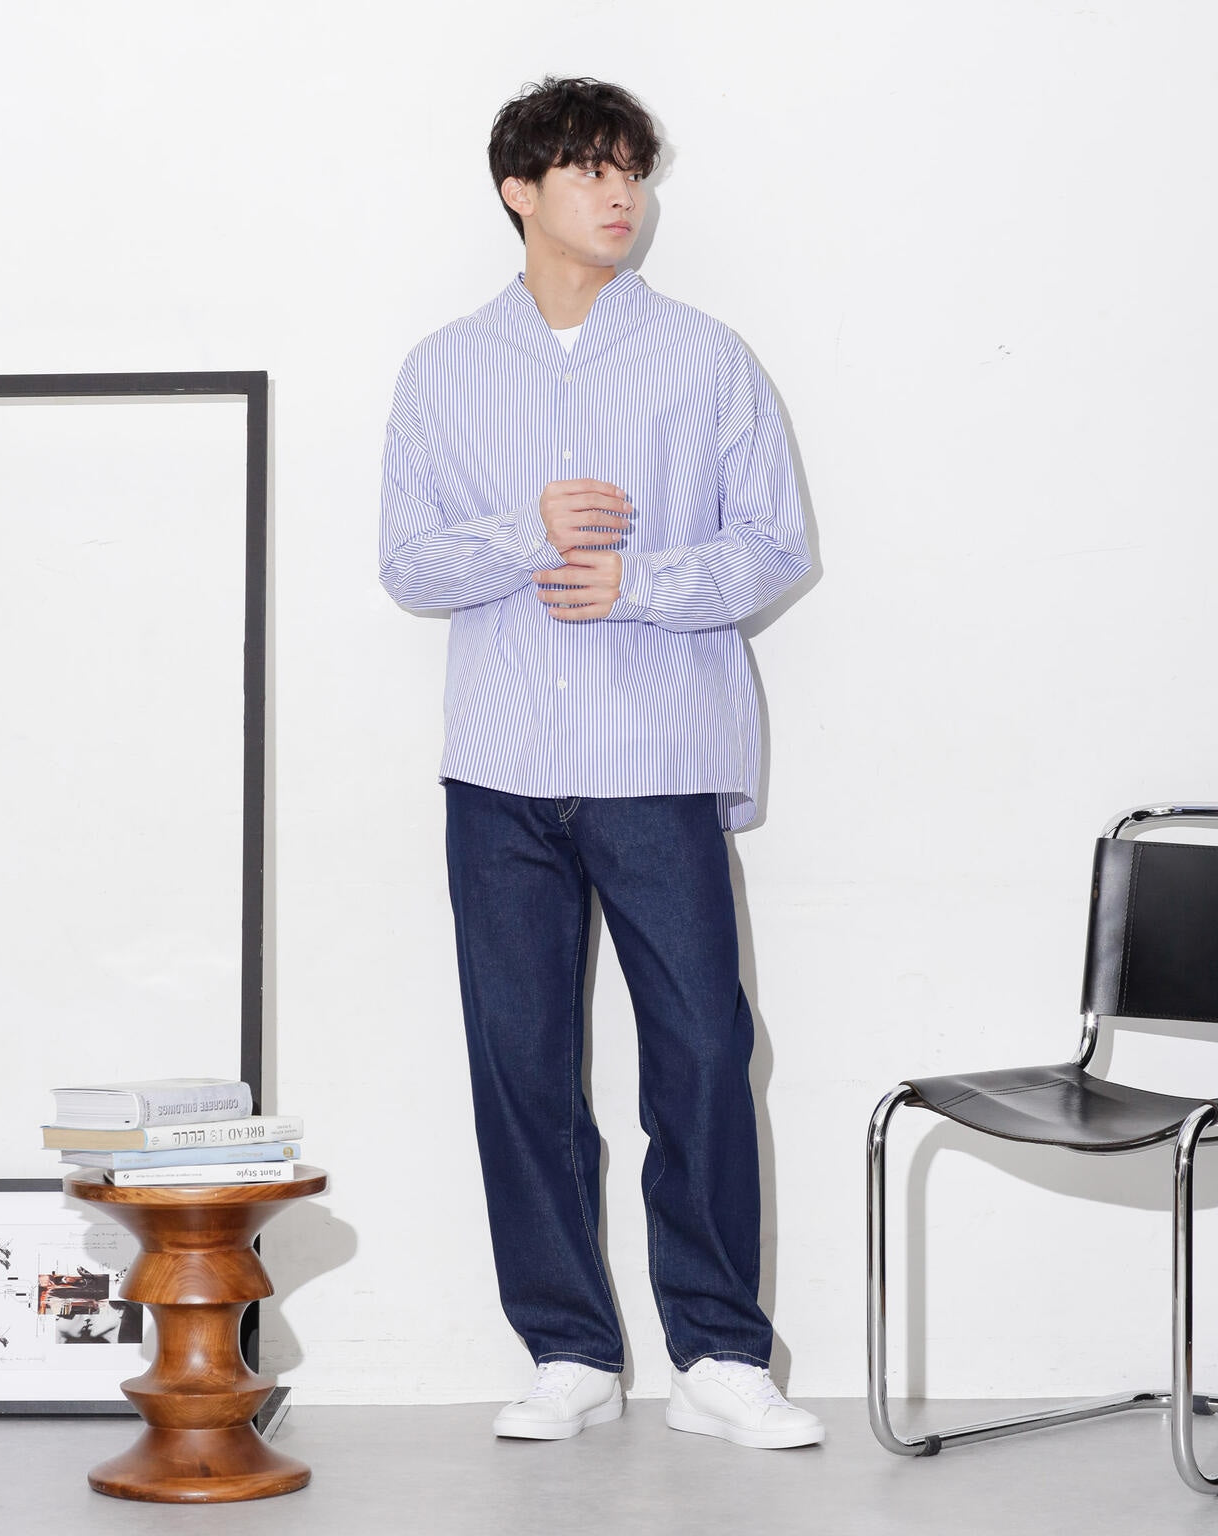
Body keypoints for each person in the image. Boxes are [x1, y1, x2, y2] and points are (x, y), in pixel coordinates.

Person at [379, 76, 819, 1450]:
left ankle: (721, 1356)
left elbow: (774, 546)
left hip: (657, 757)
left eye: (632, 169)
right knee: (519, 1064)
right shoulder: (444, 370)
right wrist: (530, 532)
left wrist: (637, 583)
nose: (620, 193)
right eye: (588, 168)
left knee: (702, 1052)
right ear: (520, 191)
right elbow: (408, 563)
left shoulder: (705, 359)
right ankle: (567, 1349)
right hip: (498, 768)